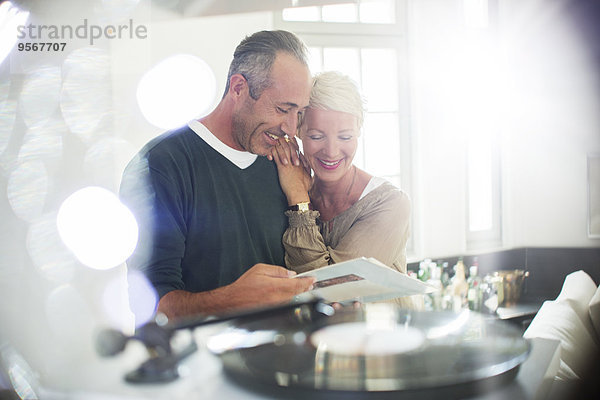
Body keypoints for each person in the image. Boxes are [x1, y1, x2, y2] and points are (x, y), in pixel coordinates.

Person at [119, 30, 315, 321]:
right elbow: (150, 307)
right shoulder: (161, 165)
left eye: (298, 113)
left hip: (277, 360)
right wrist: (232, 299)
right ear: (237, 88)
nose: (289, 127)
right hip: (196, 364)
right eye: (282, 109)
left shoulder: (284, 165)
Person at [271, 71, 418, 308]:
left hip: (386, 339)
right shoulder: (288, 186)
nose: (331, 151)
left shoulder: (390, 203)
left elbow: (336, 292)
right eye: (317, 136)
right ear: (298, 131)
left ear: (359, 129)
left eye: (345, 136)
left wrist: (299, 200)